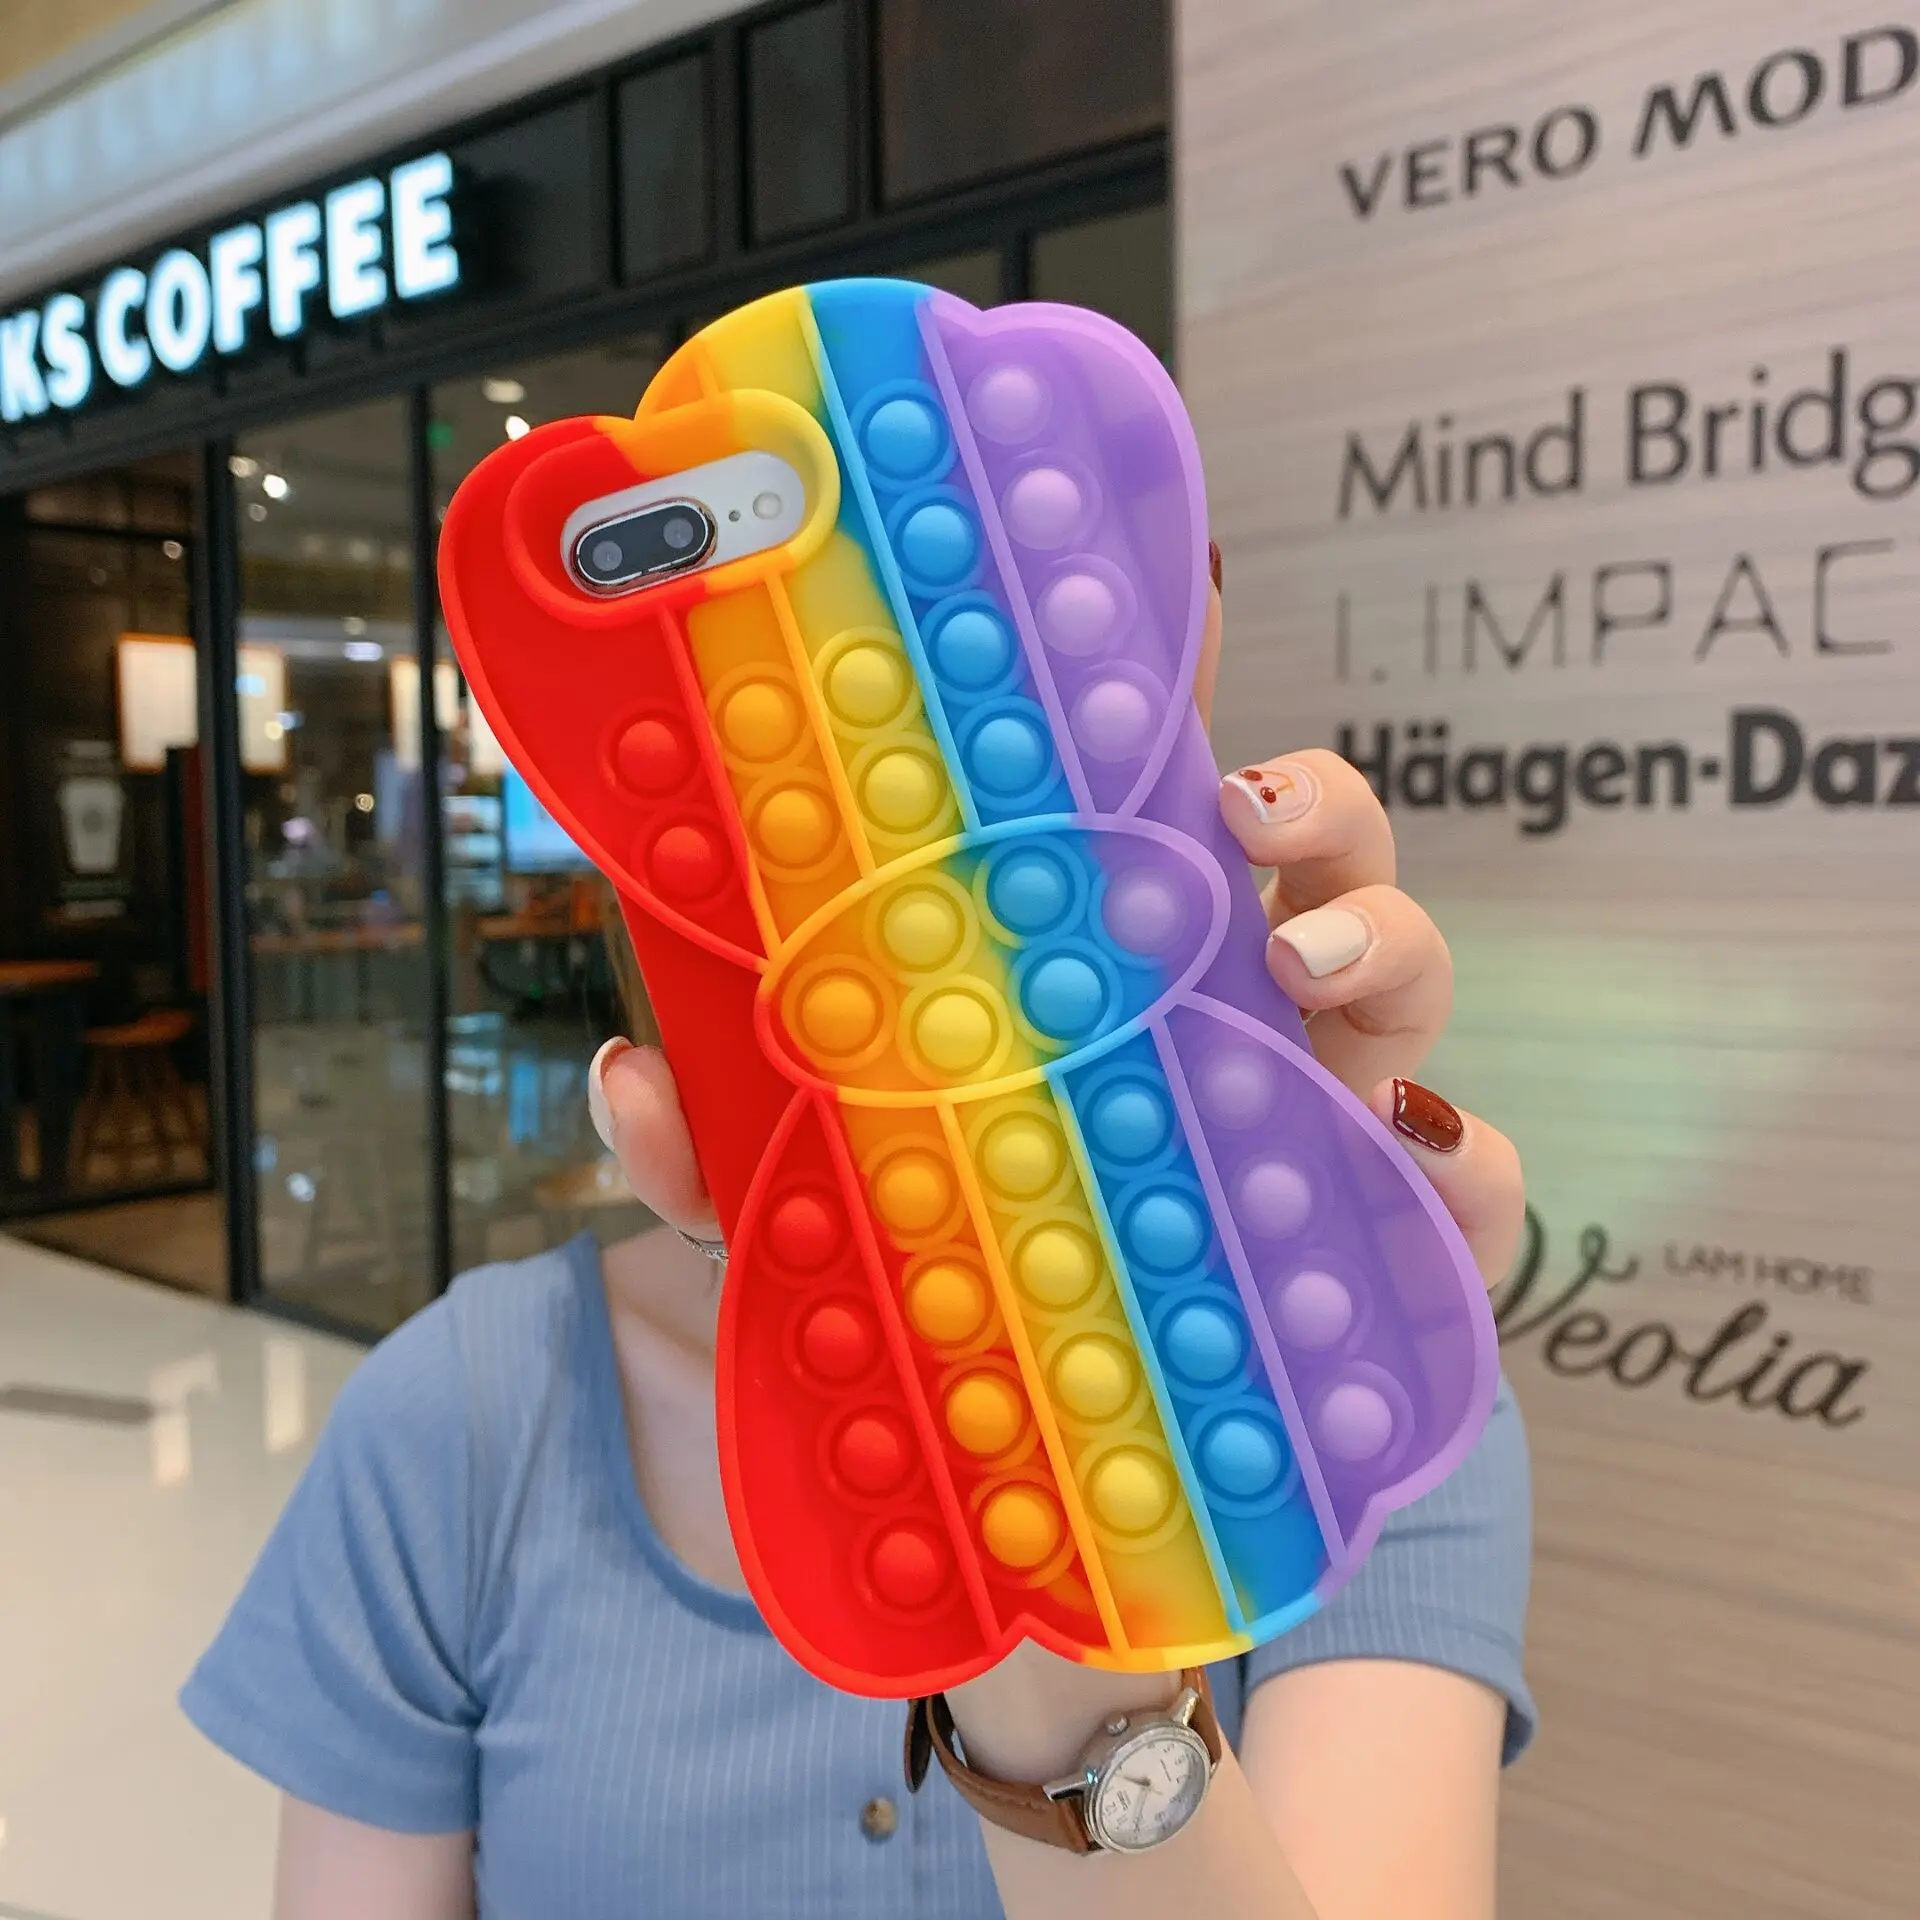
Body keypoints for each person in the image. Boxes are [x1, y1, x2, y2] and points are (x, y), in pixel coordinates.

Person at [181, 549, 1533, 1920]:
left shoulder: (1353, 1382)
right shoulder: (456, 1421)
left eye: (1014, 796)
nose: (934, 922)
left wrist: (1060, 1582)